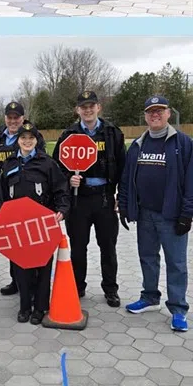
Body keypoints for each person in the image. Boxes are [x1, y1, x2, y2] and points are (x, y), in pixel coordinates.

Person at [117, 95, 193, 333]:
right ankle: (150, 297)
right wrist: (125, 205)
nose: (155, 115)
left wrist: (187, 213)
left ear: (169, 113)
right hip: (145, 214)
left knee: (176, 263)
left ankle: (178, 309)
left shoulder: (183, 142)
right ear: (146, 116)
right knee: (147, 258)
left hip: (171, 215)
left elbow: (191, 181)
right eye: (151, 112)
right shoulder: (138, 145)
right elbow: (127, 178)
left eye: (160, 111)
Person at [0, 122, 70, 325]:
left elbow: (61, 189)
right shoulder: (9, 164)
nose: (26, 141)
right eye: (23, 138)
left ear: (36, 140)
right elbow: (1, 193)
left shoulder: (47, 163)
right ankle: (25, 306)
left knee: (42, 266)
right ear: (18, 140)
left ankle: (40, 307)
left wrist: (61, 210)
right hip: (18, 226)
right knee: (21, 266)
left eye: (30, 138)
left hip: (42, 224)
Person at [51, 90, 126, 307]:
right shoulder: (68, 135)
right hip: (79, 200)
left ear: (98, 107)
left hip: (104, 198)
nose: (88, 109)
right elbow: (57, 168)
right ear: (78, 110)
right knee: (78, 247)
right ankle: (77, 286)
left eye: (91, 105)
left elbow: (123, 167)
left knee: (108, 247)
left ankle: (110, 289)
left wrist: (120, 197)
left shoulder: (112, 133)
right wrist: (68, 179)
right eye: (83, 106)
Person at [0, 101, 44, 298]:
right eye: (9, 117)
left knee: (33, 242)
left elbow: (42, 163)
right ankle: (16, 280)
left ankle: (34, 281)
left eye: (16, 117)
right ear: (5, 118)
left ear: (22, 118)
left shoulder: (32, 136)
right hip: (6, 197)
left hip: (30, 198)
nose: (13, 121)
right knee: (14, 243)